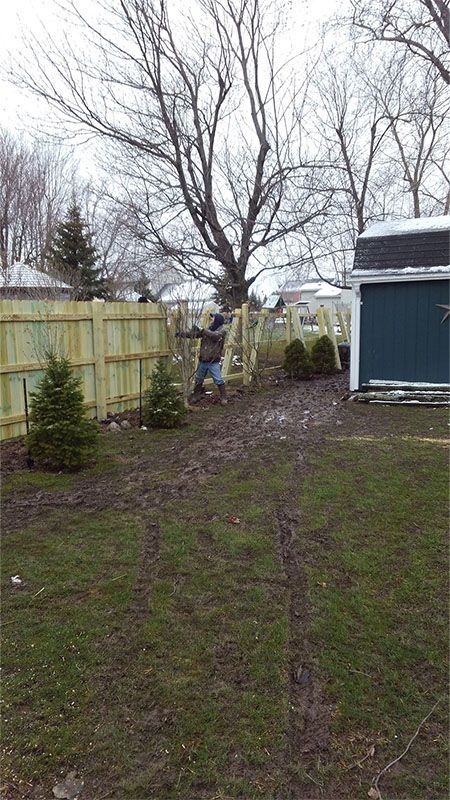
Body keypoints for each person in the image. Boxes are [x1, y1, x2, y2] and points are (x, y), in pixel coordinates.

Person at [176, 312, 228, 405]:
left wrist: (202, 330)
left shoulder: (222, 330)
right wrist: (181, 334)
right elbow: (195, 334)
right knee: (199, 378)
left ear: (218, 320)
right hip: (203, 359)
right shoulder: (208, 329)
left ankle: (224, 397)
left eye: (213, 318)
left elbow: (215, 336)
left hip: (213, 360)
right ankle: (196, 395)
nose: (211, 319)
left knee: (218, 379)